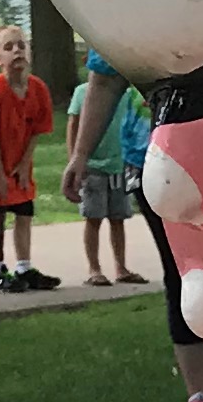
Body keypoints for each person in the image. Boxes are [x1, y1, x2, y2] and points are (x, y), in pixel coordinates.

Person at [0, 24, 57, 290]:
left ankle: (24, 267)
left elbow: (37, 129)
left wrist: (25, 163)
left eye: (21, 45)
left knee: (24, 210)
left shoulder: (38, 89)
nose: (17, 51)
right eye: (9, 47)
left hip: (18, 161)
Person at [60, 46, 143, 287]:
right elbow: (73, 125)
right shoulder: (82, 93)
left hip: (119, 164)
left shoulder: (126, 93)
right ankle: (94, 268)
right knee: (93, 218)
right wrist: (76, 157)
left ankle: (121, 266)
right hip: (94, 167)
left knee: (118, 217)